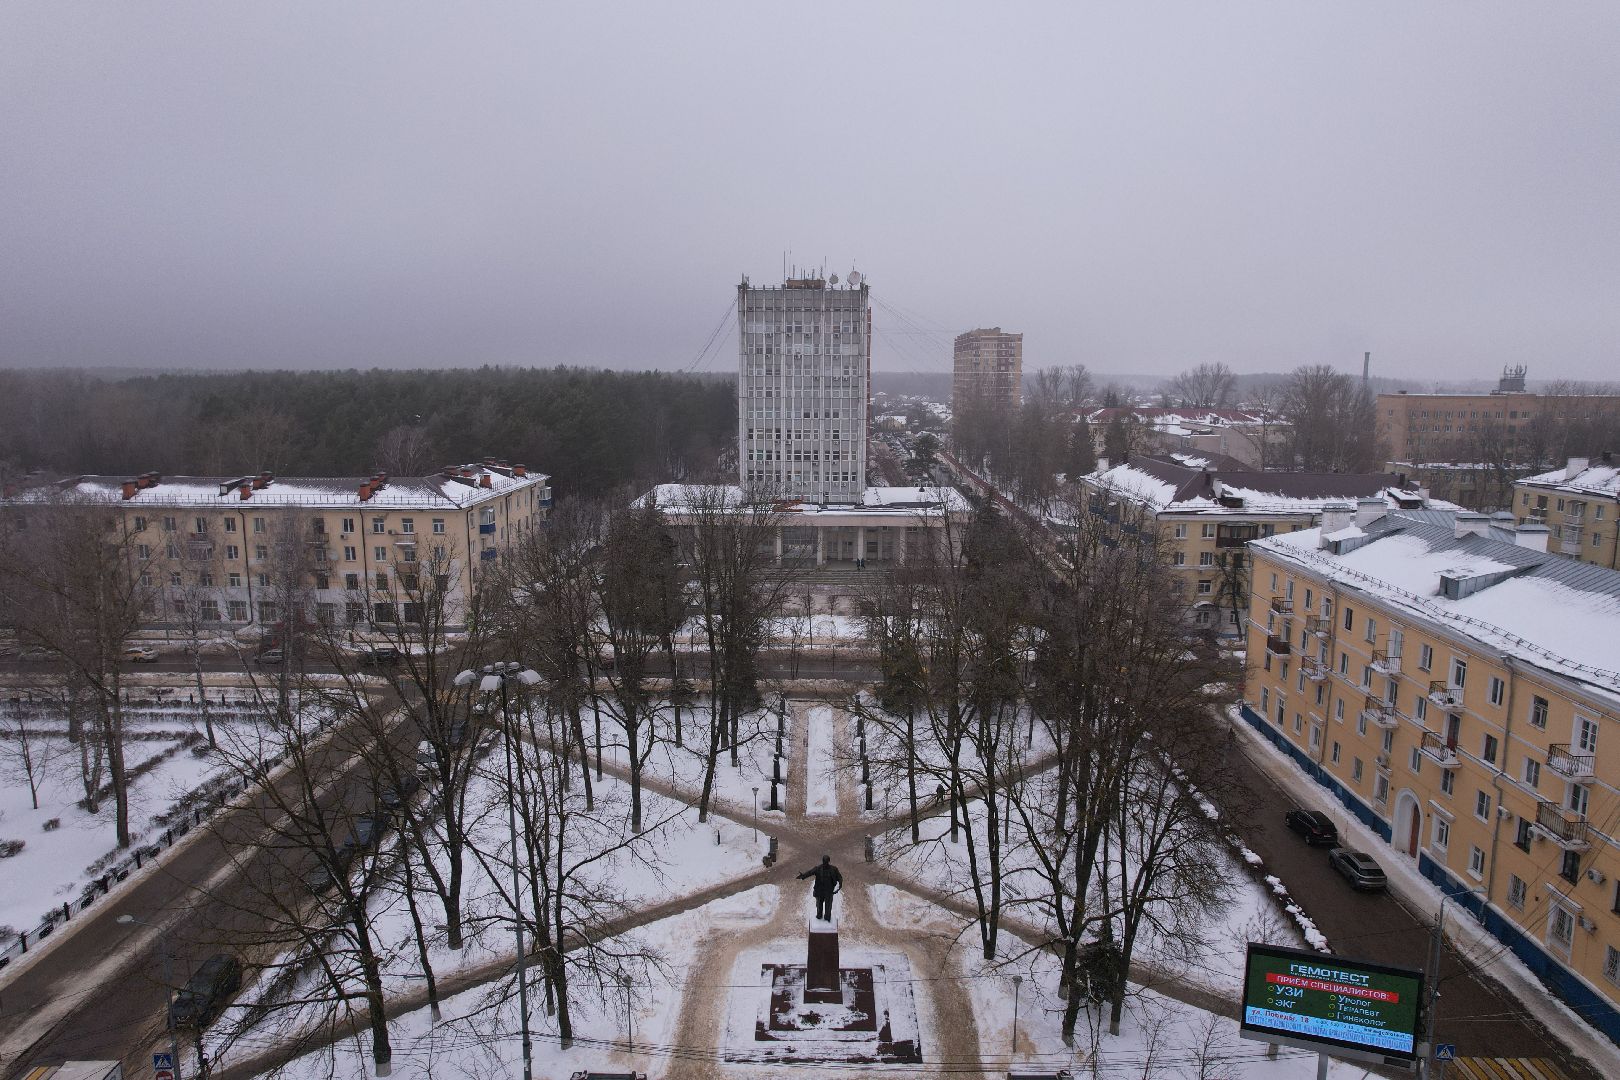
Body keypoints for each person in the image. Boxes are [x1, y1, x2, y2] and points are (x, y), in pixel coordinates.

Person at [797, 854, 843, 921]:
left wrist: (839, 886)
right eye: (824, 861)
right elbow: (810, 872)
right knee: (819, 905)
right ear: (822, 861)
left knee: (828, 906)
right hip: (820, 891)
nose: (825, 863)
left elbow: (840, 878)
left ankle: (827, 918)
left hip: (829, 891)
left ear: (829, 861)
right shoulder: (818, 868)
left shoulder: (834, 869)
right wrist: (803, 876)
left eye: (826, 862)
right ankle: (819, 916)